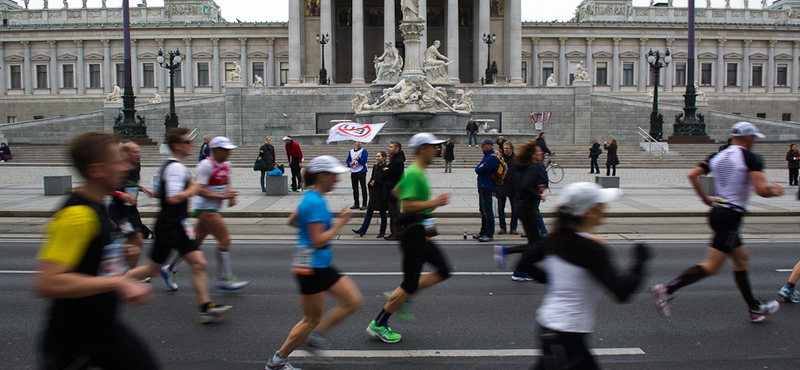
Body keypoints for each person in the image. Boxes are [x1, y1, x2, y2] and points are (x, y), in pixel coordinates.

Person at [34, 131, 159, 370]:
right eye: (118, 161)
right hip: (73, 341)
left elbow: (100, 273)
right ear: (97, 170)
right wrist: (117, 284)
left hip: (104, 327)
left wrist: (138, 267)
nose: (126, 168)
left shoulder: (102, 207)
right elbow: (48, 282)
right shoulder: (76, 216)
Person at [652, 122, 783, 323]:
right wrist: (775, 190)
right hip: (731, 215)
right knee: (711, 266)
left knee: (741, 260)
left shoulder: (719, 155)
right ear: (748, 137)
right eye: (754, 137)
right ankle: (667, 289)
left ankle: (754, 308)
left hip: (718, 211)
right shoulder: (751, 158)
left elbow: (693, 174)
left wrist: (705, 198)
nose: (755, 140)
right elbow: (761, 190)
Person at [516, 182, 650, 370]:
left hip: (555, 329)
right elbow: (622, 292)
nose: (605, 208)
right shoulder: (591, 249)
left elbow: (524, 264)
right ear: (588, 212)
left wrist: (557, 282)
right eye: (601, 205)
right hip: (566, 333)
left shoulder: (556, 238)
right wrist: (640, 262)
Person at [265, 156, 362, 370]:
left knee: (352, 301)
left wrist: (306, 235)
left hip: (314, 264)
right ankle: (279, 360)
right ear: (322, 176)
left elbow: (292, 220)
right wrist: (340, 223)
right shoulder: (316, 201)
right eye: (334, 176)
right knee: (312, 319)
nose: (336, 180)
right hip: (313, 266)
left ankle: (312, 340)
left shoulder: (310, 197)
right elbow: (318, 241)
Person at [129, 127, 233, 324]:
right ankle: (108, 284)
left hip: (177, 224)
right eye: (187, 142)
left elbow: (160, 192)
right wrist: (192, 189)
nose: (191, 145)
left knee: (198, 263)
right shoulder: (176, 167)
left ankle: (205, 307)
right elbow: (173, 197)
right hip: (169, 225)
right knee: (150, 270)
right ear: (177, 145)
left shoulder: (172, 166)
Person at [366, 133, 451, 344]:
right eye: (433, 147)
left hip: (422, 231)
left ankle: (404, 296)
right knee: (409, 283)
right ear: (422, 149)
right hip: (413, 234)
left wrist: (401, 190)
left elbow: (397, 191)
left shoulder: (416, 172)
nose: (437, 150)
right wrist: (435, 202)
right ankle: (379, 323)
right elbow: (409, 205)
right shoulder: (415, 172)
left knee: (443, 271)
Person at [163, 136, 249, 291]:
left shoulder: (227, 165)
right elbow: (199, 190)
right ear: (215, 150)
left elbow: (226, 184)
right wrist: (223, 196)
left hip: (213, 208)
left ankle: (170, 268)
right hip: (204, 208)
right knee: (225, 239)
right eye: (225, 150)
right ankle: (225, 278)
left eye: (229, 149)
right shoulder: (206, 165)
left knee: (195, 243)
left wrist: (231, 196)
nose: (229, 153)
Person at [109, 141, 153, 241]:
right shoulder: (118, 168)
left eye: (138, 152)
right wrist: (121, 194)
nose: (138, 155)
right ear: (125, 154)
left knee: (139, 234)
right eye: (134, 152)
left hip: (131, 208)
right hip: (119, 211)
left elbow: (130, 183)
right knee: (132, 236)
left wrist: (140, 188)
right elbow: (106, 188)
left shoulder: (136, 166)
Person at [353, 151, 389, 238]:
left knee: (383, 212)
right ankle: (362, 230)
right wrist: (371, 183)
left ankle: (382, 231)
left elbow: (386, 182)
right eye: (376, 156)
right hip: (374, 193)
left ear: (384, 157)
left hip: (382, 193)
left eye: (379, 156)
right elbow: (372, 178)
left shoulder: (387, 168)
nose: (377, 158)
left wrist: (376, 182)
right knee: (369, 212)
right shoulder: (375, 167)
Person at [474, 138, 499, 242]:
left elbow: (480, 169)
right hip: (482, 185)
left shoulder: (492, 158)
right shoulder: (487, 157)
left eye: (483, 145)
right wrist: (479, 168)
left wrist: (479, 168)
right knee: (483, 210)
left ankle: (489, 234)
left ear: (489, 146)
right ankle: (483, 232)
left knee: (487, 211)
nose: (481, 147)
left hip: (487, 186)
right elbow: (478, 168)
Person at [383, 141, 405, 241]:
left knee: (394, 214)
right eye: (389, 146)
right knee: (393, 213)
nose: (389, 148)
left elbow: (388, 175)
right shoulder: (396, 159)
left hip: (393, 191)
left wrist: (386, 170)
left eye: (391, 147)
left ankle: (396, 234)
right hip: (393, 191)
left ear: (397, 149)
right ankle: (396, 232)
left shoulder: (397, 161)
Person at [496, 141, 518, 236]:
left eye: (507, 148)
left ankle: (513, 228)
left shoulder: (517, 159)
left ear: (511, 149)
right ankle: (502, 227)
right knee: (501, 208)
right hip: (502, 186)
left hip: (513, 187)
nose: (505, 150)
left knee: (515, 209)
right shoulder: (500, 159)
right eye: (504, 148)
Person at [347, 141, 369, 210]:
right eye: (358, 142)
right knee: (355, 188)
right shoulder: (351, 151)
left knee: (363, 187)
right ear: (355, 143)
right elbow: (348, 160)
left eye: (360, 142)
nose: (359, 143)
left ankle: (364, 204)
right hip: (354, 171)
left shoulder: (363, 151)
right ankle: (356, 203)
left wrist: (359, 159)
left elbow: (364, 161)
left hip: (361, 171)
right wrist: (349, 164)